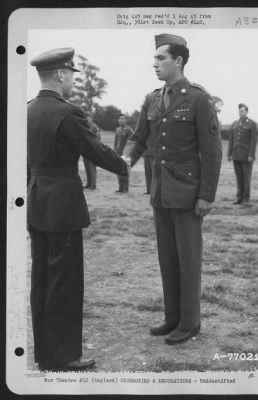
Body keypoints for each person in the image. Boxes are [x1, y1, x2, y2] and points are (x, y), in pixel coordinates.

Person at [27, 48, 128, 371]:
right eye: (71, 74)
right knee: (65, 282)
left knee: (41, 279)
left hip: (36, 202)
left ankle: (44, 353)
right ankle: (64, 356)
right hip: (63, 207)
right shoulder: (67, 113)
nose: (72, 80)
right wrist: (123, 165)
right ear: (60, 75)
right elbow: (95, 150)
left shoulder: (27, 110)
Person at [124, 34, 222, 345]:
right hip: (160, 192)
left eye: (160, 58)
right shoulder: (152, 98)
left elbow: (212, 151)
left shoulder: (198, 99)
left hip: (189, 193)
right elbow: (139, 138)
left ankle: (190, 323)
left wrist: (206, 195)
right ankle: (173, 317)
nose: (154, 63)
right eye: (154, 58)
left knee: (188, 258)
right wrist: (126, 158)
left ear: (177, 61)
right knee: (167, 257)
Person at [227, 103, 258, 206]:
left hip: (246, 156)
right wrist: (229, 153)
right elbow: (231, 140)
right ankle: (239, 197)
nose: (241, 112)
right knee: (239, 177)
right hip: (236, 155)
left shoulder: (252, 124)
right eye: (240, 111)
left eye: (243, 111)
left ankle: (246, 198)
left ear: (246, 112)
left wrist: (251, 155)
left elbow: (253, 141)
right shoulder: (234, 124)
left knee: (246, 178)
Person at [113, 114, 133, 193]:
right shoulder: (117, 129)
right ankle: (120, 187)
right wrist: (114, 150)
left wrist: (129, 152)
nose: (121, 120)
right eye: (120, 119)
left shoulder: (129, 130)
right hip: (118, 152)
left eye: (123, 119)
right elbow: (115, 142)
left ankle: (125, 188)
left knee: (125, 170)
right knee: (118, 170)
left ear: (126, 120)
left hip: (125, 153)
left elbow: (131, 142)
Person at [83, 115, 101, 190]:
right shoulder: (84, 126)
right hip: (85, 149)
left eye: (88, 118)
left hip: (92, 149)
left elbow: (98, 138)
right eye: (86, 117)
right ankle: (88, 183)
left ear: (92, 118)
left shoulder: (94, 127)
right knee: (87, 167)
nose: (87, 119)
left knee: (92, 167)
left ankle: (93, 185)